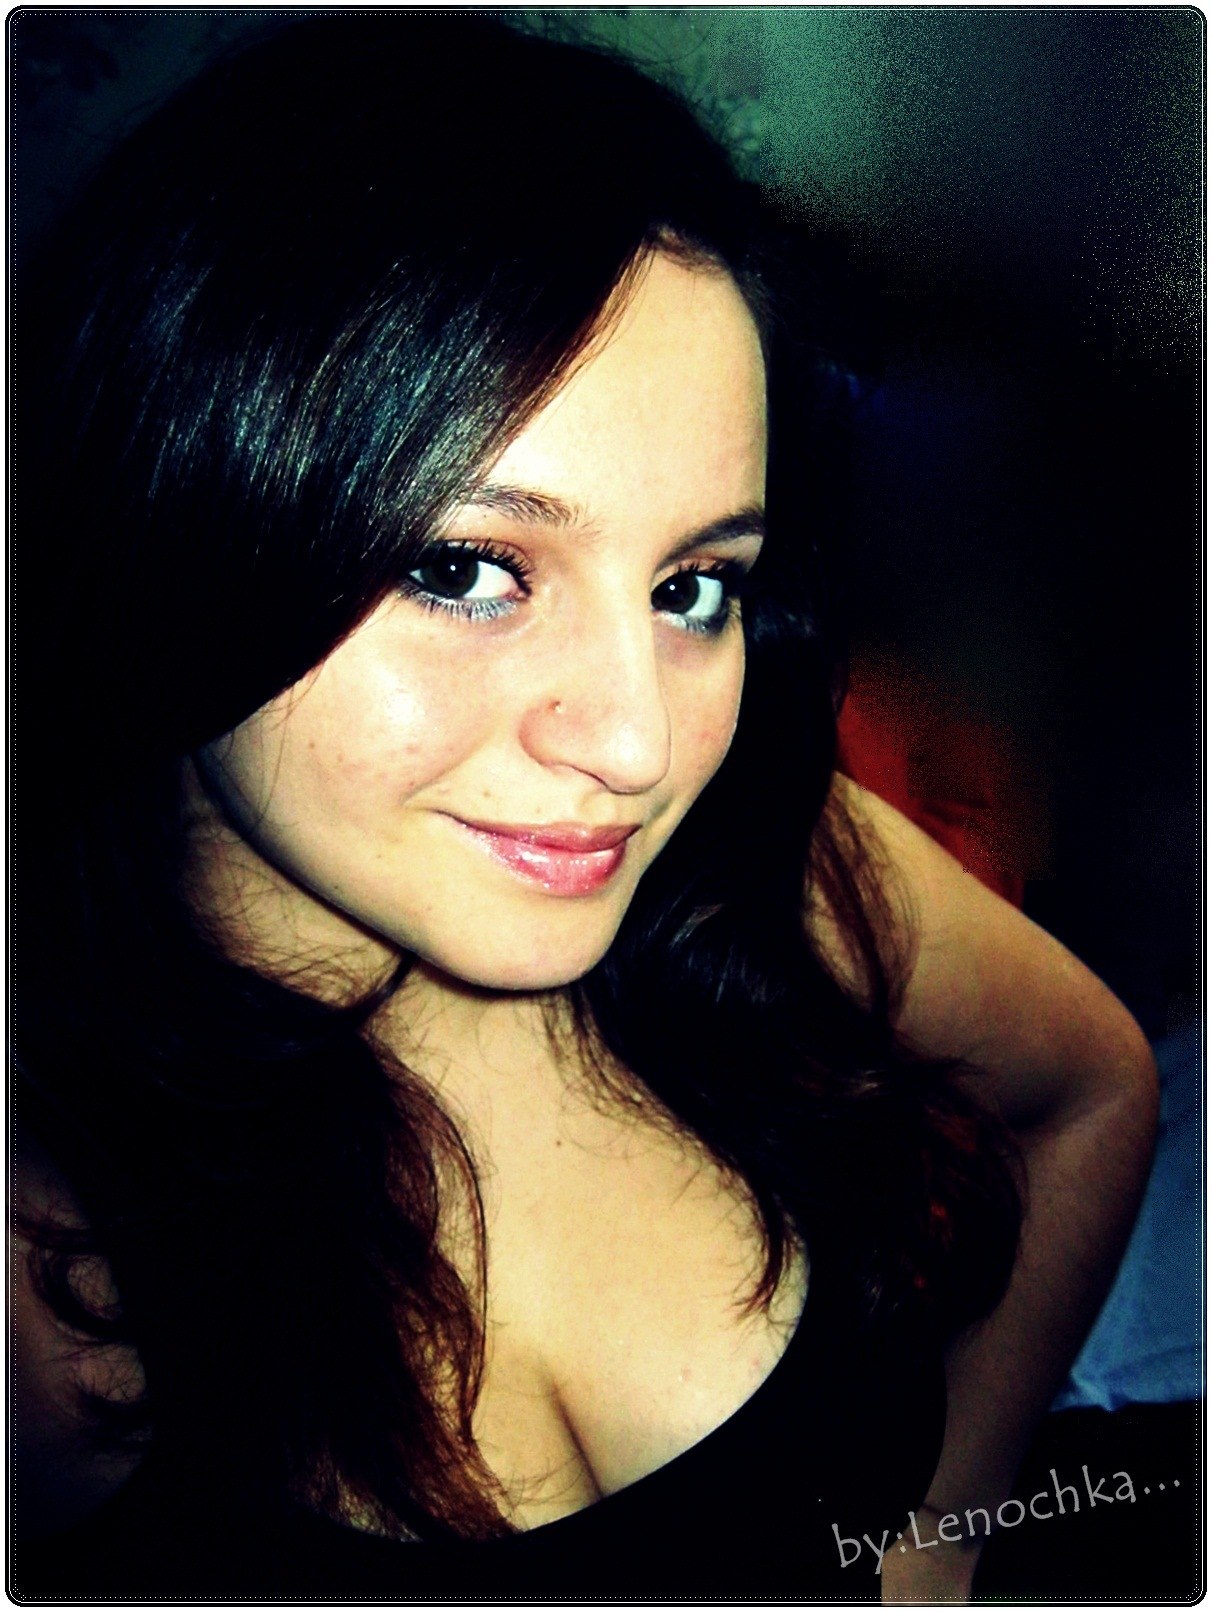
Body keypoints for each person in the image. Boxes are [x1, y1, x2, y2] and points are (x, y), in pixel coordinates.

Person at [12, 16, 1157, 1602]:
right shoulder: (44, 1260)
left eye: (694, 586)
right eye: (465, 568)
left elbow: (1094, 1088)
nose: (639, 743)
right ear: (174, 520)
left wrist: (937, 1541)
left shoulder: (757, 870)